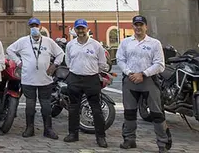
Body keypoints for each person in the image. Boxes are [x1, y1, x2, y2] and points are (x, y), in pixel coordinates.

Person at [117, 15, 169, 152]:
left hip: (149, 80)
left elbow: (160, 64)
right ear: (133, 26)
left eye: (141, 25)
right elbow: (120, 60)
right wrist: (129, 73)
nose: (138, 27)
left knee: (157, 114)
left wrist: (143, 74)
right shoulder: (126, 42)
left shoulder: (154, 43)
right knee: (129, 112)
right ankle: (129, 139)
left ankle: (162, 143)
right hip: (130, 80)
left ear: (146, 26)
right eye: (136, 25)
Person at [6, 18, 64, 139]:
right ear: (29, 27)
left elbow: (60, 53)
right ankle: (29, 128)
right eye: (32, 25)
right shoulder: (23, 41)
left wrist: (54, 65)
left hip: (45, 79)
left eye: (36, 25)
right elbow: (9, 50)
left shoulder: (48, 42)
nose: (34, 27)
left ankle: (48, 129)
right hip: (28, 79)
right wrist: (18, 62)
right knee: (30, 105)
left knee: (46, 105)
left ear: (40, 27)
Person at [63, 19, 108, 147]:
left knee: (96, 109)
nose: (81, 31)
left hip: (91, 79)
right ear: (75, 30)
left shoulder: (96, 45)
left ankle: (100, 137)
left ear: (87, 29)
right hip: (75, 78)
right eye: (78, 28)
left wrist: (92, 72)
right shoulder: (70, 45)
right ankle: (73, 134)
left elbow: (102, 64)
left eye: (83, 28)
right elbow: (68, 61)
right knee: (73, 108)